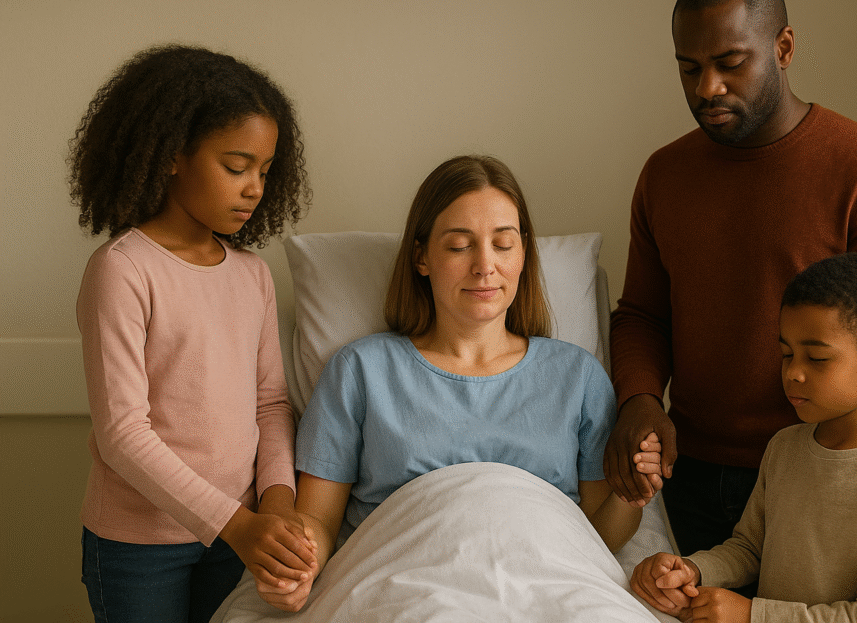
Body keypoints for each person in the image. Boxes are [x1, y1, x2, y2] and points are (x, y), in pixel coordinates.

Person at [603, 0, 857, 557]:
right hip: (690, 472)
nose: (707, 88)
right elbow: (641, 316)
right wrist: (642, 402)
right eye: (689, 68)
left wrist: (826, 453)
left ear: (782, 46)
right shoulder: (664, 176)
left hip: (820, 471)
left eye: (730, 63)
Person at [256, 155, 644, 612]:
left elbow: (598, 536)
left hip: (551, 586)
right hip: (408, 586)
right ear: (421, 256)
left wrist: (632, 491)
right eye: (460, 245)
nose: (485, 266)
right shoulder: (362, 370)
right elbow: (317, 521)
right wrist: (297, 562)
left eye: (503, 244)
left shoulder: (577, 376)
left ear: (523, 255)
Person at [70, 44, 315, 623]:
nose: (254, 187)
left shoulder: (253, 275)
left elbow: (272, 402)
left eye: (264, 170)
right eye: (236, 167)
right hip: (138, 548)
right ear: (172, 154)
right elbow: (123, 434)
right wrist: (239, 524)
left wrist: (275, 506)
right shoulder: (123, 269)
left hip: (240, 539)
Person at [631, 252, 857, 622]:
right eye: (786, 354)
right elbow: (748, 549)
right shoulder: (785, 447)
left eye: (817, 358)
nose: (793, 373)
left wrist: (751, 615)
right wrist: (692, 571)